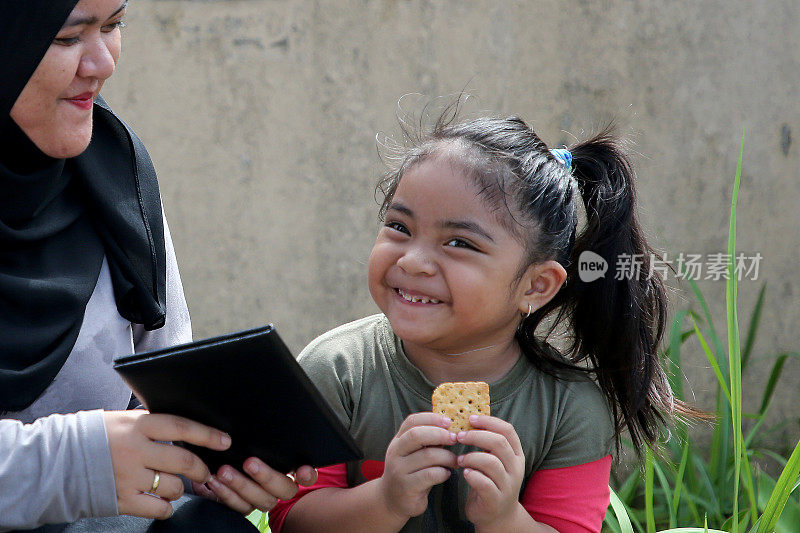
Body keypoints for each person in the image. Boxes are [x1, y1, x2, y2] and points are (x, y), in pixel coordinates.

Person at [268, 109, 698, 532]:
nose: (413, 260)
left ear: (536, 286)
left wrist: (504, 519)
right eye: (399, 226)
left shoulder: (570, 409)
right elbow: (291, 518)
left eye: (459, 242)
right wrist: (386, 500)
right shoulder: (336, 370)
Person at [0, 1, 315, 530]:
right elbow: (93, 461)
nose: (102, 62)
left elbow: (165, 393)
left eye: (113, 26)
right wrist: (77, 464)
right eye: (66, 37)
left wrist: (211, 458)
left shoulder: (112, 175)